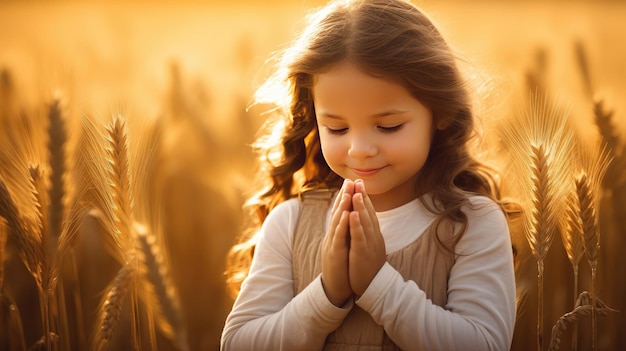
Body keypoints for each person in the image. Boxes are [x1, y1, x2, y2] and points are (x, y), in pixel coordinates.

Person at [221, 0, 517, 349]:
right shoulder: (290, 224)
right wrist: (327, 293)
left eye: (388, 126)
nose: (359, 148)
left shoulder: (473, 224)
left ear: (442, 113)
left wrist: (378, 284)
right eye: (336, 128)